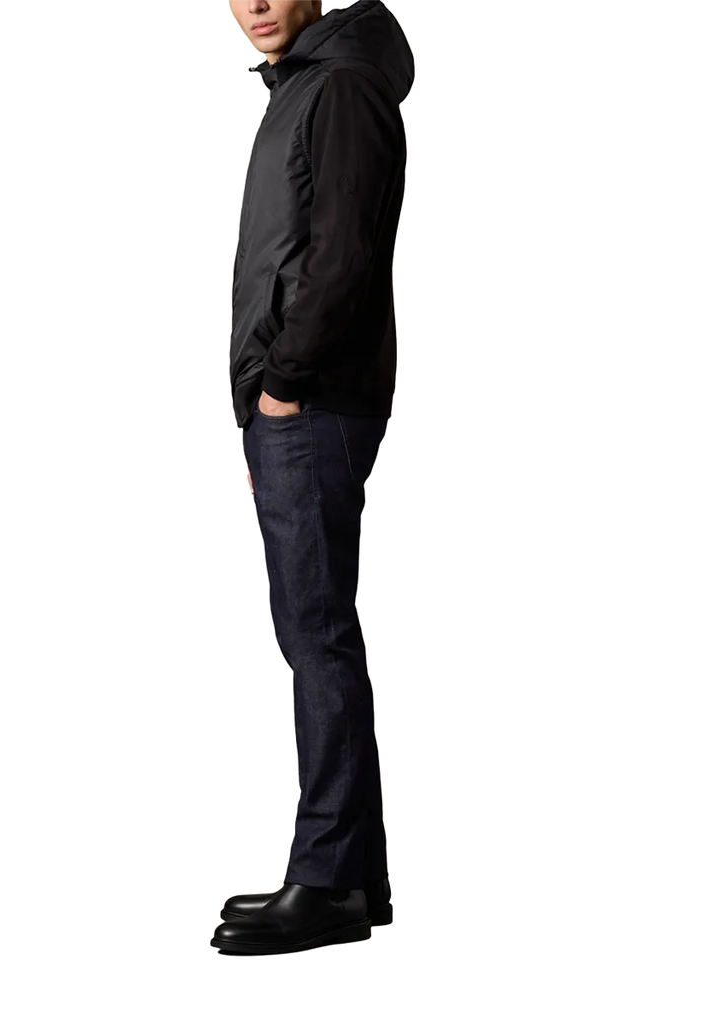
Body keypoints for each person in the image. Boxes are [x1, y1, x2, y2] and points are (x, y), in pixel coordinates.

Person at [212, 0, 415, 957]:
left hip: (314, 398)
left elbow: (342, 255)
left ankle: (327, 880)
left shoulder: (340, 86)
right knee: (315, 630)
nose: (253, 7)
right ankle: (355, 880)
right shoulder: (301, 86)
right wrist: (253, 410)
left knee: (317, 636)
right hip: (291, 406)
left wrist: (282, 389)